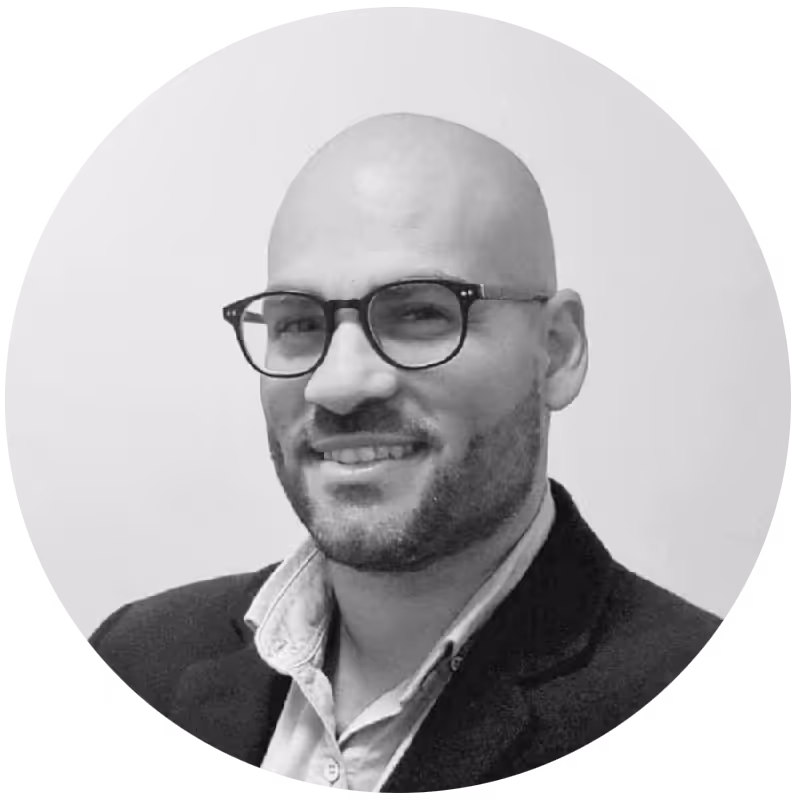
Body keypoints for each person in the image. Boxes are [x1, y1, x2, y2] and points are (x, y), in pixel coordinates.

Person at [90, 113, 721, 791]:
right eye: (298, 323)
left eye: (420, 313)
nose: (337, 384)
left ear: (557, 351)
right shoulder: (132, 665)